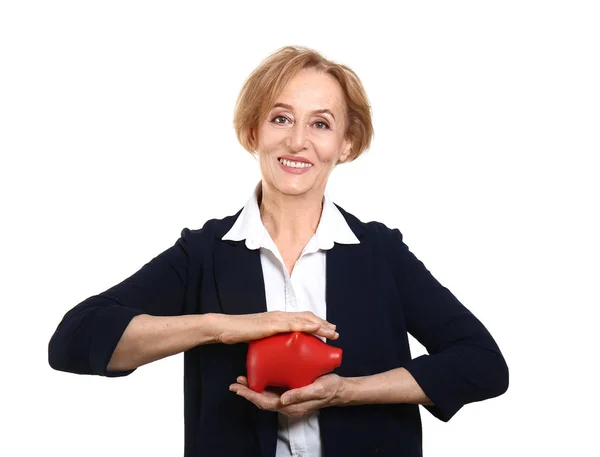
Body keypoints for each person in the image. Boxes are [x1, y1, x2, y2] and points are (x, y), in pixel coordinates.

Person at [48, 45, 509, 457]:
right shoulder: (204, 253)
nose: (297, 141)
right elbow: (74, 340)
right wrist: (223, 328)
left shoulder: (379, 253)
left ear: (345, 144)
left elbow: (482, 363)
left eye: (321, 123)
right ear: (253, 132)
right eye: (281, 117)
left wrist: (346, 392)